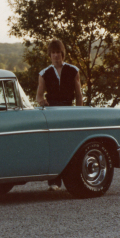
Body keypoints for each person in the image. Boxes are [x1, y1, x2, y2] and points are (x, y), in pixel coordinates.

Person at [36, 40, 83, 191]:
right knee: (54, 146)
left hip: (69, 112)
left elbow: (79, 95)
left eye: (58, 52)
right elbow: (39, 96)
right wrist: (42, 102)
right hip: (52, 113)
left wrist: (79, 113)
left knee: (71, 146)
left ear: (63, 53)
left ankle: (74, 179)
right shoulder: (44, 73)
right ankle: (54, 182)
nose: (56, 55)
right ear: (50, 55)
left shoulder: (73, 70)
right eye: (53, 53)